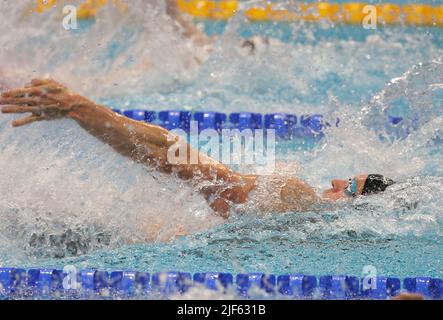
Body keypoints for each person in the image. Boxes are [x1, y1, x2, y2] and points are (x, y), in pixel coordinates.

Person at [0, 79, 395, 218]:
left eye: (350, 187)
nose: (335, 179)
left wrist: (80, 107)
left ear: (356, 206)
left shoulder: (293, 196)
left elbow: (179, 160)